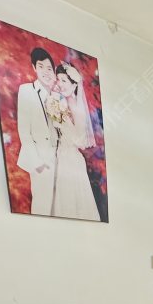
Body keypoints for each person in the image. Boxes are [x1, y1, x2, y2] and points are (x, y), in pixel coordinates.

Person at [48, 63, 100, 221]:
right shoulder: (61, 101)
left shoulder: (75, 107)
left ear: (74, 85)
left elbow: (78, 139)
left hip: (70, 159)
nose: (60, 84)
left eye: (64, 80)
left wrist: (56, 106)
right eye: (58, 80)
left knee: (72, 203)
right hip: (63, 155)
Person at [15, 48, 57, 215]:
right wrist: (37, 163)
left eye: (49, 68)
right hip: (41, 160)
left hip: (60, 159)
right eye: (41, 67)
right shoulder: (26, 90)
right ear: (34, 68)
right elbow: (24, 130)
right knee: (42, 207)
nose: (46, 72)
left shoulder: (57, 95)